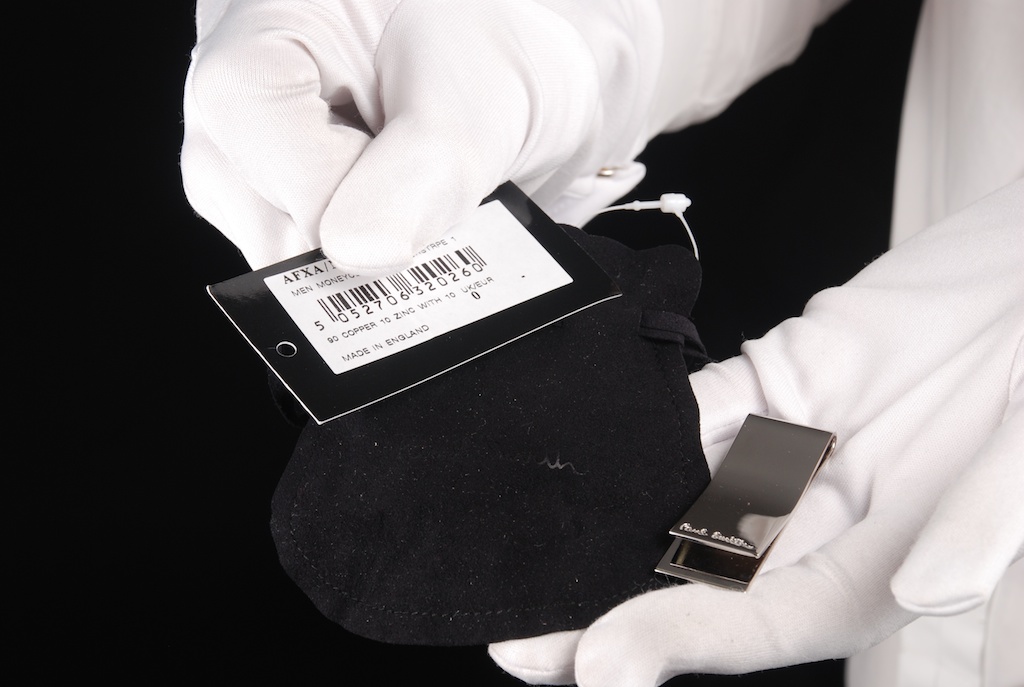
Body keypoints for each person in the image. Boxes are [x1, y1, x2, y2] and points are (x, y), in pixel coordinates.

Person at [181, 1, 1023, 685]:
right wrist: (538, 32)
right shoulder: (790, 418)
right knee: (771, 480)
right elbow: (791, 429)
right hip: (878, 376)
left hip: (888, 391)